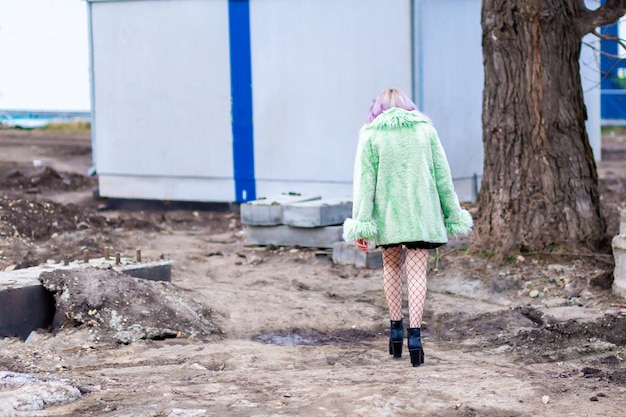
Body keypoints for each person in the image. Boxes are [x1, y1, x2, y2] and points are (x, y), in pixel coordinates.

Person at [343, 88, 473, 367]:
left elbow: (364, 184)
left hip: (388, 217)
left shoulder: (370, 135)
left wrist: (362, 225)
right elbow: (443, 177)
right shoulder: (426, 132)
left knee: (391, 269)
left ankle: (394, 333)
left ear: (377, 110)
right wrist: (453, 214)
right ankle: (415, 338)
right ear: (409, 107)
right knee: (417, 274)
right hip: (421, 215)